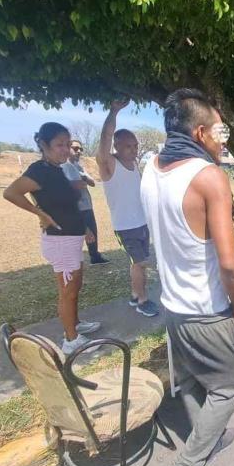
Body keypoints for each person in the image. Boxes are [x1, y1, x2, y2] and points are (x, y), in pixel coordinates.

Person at [141, 88, 234, 466]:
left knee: (189, 376)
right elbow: (229, 262)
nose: (225, 140)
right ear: (202, 131)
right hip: (205, 309)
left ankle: (208, 436)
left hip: (172, 303)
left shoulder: (151, 168)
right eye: (221, 132)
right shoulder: (209, 177)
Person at [3, 123, 101, 354]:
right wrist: (39, 213)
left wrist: (84, 227)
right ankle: (71, 340)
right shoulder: (39, 170)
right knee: (67, 290)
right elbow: (11, 192)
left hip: (72, 235)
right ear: (44, 145)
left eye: (68, 144)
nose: (65, 149)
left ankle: (75, 324)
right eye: (59, 145)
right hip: (60, 239)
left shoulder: (58, 169)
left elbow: (69, 205)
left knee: (75, 285)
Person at [96, 100, 158, 317]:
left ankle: (135, 295)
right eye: (128, 146)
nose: (133, 150)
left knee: (137, 263)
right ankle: (142, 301)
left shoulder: (134, 167)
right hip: (125, 227)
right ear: (116, 146)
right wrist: (113, 111)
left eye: (135, 146)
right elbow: (105, 137)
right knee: (141, 264)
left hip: (141, 224)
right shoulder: (109, 164)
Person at [61, 139, 109, 264]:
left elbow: (92, 182)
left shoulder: (78, 166)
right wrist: (82, 180)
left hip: (87, 205)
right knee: (77, 234)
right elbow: (74, 185)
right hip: (75, 208)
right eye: (75, 148)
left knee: (92, 232)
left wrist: (82, 180)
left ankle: (95, 256)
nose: (79, 152)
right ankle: (72, 260)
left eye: (80, 149)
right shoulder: (65, 166)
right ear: (67, 148)